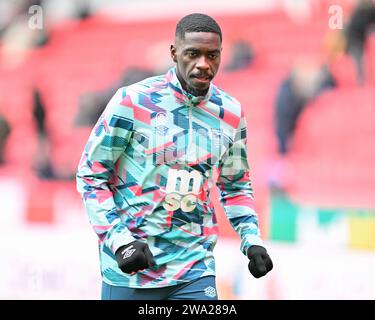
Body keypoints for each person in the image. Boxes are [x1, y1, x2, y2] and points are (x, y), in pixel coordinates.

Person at [76, 13, 273, 301]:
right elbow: (91, 175)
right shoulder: (132, 101)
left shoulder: (230, 113)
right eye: (193, 53)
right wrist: (120, 242)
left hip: (195, 269)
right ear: (174, 52)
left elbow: (235, 185)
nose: (203, 64)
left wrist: (251, 240)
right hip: (132, 269)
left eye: (212, 55)